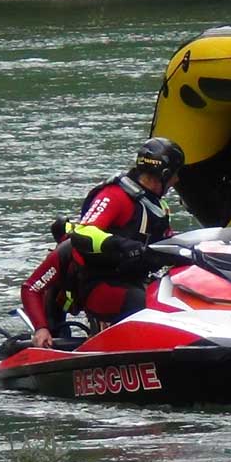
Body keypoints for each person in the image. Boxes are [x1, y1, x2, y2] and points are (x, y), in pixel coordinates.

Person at [67, 137, 185, 327]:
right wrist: (123, 245)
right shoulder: (115, 195)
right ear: (164, 174)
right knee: (149, 305)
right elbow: (82, 234)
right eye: (175, 174)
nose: (176, 180)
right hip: (101, 285)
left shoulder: (158, 206)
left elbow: (167, 241)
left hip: (138, 280)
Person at [21, 219, 80, 348]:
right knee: (53, 329)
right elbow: (30, 288)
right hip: (60, 294)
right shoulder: (63, 254)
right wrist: (41, 328)